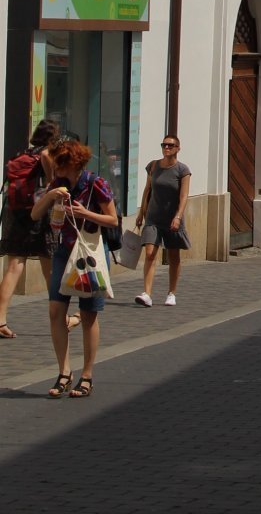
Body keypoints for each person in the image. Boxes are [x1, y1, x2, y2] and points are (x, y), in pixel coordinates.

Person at [30, 139, 117, 398]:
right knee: (56, 310)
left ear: (71, 163)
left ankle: (87, 375)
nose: (54, 167)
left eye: (58, 162)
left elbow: (112, 219)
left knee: (89, 315)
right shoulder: (57, 185)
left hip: (89, 255)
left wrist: (85, 214)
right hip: (63, 252)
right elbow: (35, 215)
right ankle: (64, 373)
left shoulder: (95, 183)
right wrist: (50, 196)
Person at [0, 119, 62, 339]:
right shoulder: (45, 153)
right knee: (50, 266)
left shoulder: (22, 153)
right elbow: (48, 167)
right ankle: (60, 316)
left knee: (14, 266)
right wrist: (53, 181)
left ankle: (0, 320)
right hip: (37, 213)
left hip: (16, 213)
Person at [134, 134, 191, 307]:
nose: (166, 148)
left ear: (178, 148)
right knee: (150, 254)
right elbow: (147, 190)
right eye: (164, 145)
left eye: (170, 145)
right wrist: (141, 213)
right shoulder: (153, 166)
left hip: (172, 218)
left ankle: (171, 293)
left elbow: (184, 196)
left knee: (174, 256)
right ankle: (147, 293)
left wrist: (178, 216)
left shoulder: (182, 170)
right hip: (153, 217)